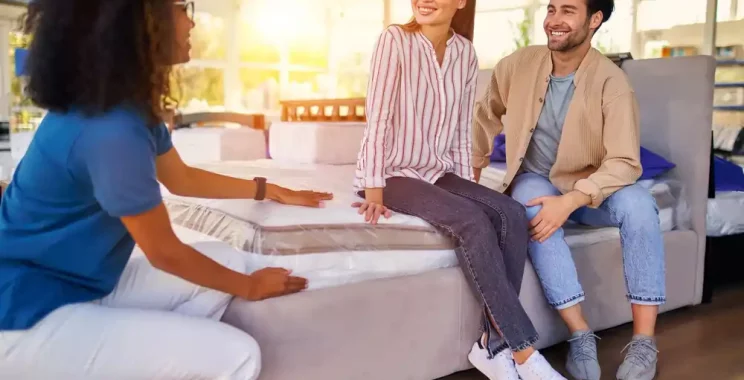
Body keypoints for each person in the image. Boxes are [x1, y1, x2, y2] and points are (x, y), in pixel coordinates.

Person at [0, 1, 332, 379]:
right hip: (22, 310)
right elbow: (164, 252)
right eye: (179, 8)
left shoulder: (127, 107)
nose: (191, 21)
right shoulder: (110, 129)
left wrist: (267, 189)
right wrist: (251, 287)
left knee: (228, 260)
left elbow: (182, 179)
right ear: (137, 22)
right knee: (236, 355)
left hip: (73, 280)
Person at [353, 1, 565, 379]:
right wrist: (373, 189)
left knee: (510, 213)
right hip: (391, 175)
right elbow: (378, 116)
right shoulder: (395, 40)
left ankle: (491, 343)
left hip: (437, 171)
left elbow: (459, 131)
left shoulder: (465, 53)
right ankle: (522, 352)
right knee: (471, 220)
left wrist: (468, 185)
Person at [471, 0, 664, 379]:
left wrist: (572, 200)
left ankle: (644, 343)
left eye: (568, 11)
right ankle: (580, 334)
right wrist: (470, 177)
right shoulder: (517, 65)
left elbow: (625, 162)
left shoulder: (613, 83)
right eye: (551, 8)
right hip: (537, 180)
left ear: (594, 20)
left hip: (593, 189)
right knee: (530, 205)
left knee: (641, 204)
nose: (554, 20)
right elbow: (484, 115)